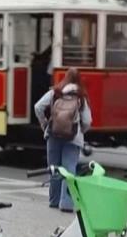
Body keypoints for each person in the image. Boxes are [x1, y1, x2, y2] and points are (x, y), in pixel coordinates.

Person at [34, 68, 92, 212]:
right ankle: (66, 203)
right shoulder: (81, 97)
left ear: (65, 78)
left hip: (53, 134)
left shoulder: (55, 92)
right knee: (69, 169)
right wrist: (80, 131)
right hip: (73, 138)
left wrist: (45, 124)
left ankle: (53, 201)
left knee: (54, 168)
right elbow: (87, 120)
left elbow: (38, 107)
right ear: (79, 80)